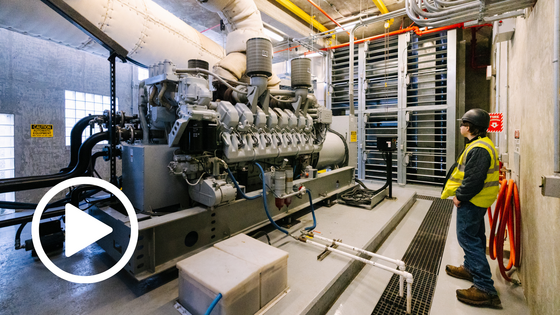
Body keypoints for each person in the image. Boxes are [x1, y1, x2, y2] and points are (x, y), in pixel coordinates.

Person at [441, 108, 502, 309]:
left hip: (472, 201)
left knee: (467, 238)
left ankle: (485, 288)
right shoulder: (480, 144)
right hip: (478, 201)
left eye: (462, 124)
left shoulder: (479, 149)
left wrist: (460, 197)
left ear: (469, 127)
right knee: (475, 236)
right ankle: (470, 268)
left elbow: (474, 180)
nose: (460, 127)